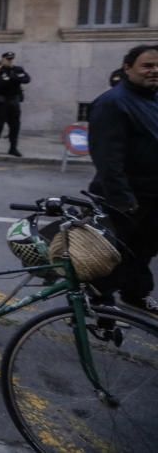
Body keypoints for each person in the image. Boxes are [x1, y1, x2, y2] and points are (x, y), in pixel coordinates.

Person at [88, 44, 158, 314]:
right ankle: (99, 304)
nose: (154, 71)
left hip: (153, 195)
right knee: (110, 254)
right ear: (128, 68)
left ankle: (135, 294)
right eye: (147, 66)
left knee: (144, 251)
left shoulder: (152, 98)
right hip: (124, 198)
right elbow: (107, 158)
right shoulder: (112, 103)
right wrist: (123, 200)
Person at [0, 52, 31, 157]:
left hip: (14, 101)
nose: (10, 61)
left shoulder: (18, 69)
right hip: (2, 102)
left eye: (11, 59)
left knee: (15, 126)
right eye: (7, 59)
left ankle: (13, 148)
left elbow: (27, 79)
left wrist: (12, 78)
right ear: (3, 59)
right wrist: (15, 79)